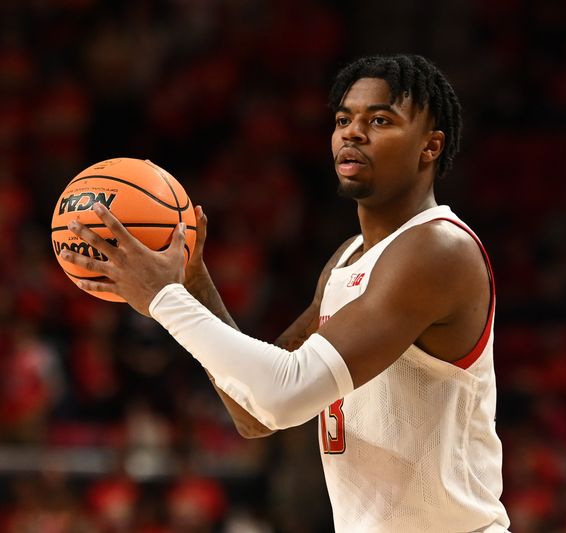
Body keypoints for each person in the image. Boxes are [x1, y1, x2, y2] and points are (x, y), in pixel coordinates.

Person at [60, 54, 511, 532]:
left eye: (380, 119)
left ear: (430, 146)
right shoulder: (347, 258)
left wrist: (164, 300)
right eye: (343, 119)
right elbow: (256, 413)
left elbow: (284, 394)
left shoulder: (438, 249)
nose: (352, 133)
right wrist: (193, 282)